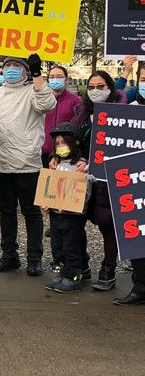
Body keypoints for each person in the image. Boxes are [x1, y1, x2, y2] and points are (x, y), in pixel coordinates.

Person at [0, 54, 56, 276]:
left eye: (17, 65)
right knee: (6, 212)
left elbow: (47, 103)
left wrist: (37, 75)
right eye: (8, 65)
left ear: (26, 71)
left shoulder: (33, 92)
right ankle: (9, 255)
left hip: (27, 164)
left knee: (31, 212)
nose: (12, 69)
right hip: (0, 164)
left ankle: (34, 258)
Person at [71, 70, 126, 291]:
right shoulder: (82, 113)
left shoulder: (121, 114)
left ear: (110, 88)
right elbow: (70, 139)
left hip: (107, 179)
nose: (95, 91)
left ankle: (108, 268)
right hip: (81, 177)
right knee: (75, 223)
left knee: (107, 224)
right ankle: (82, 264)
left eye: (100, 86)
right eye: (91, 87)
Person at [43, 123, 91, 293]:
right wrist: (46, 202)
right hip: (56, 214)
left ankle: (73, 277)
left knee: (71, 248)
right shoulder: (55, 164)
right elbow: (49, 187)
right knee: (57, 248)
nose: (60, 147)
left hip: (73, 216)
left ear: (75, 142)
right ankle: (59, 274)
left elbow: (85, 192)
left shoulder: (81, 166)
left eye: (64, 143)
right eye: (57, 144)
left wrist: (72, 205)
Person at [115, 61, 145, 305]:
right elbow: (111, 104)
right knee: (137, 237)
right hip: (135, 181)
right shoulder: (129, 110)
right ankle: (140, 288)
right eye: (144, 79)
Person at [42, 65, 82, 167]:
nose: (55, 79)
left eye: (59, 77)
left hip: (64, 153)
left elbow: (79, 126)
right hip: (42, 152)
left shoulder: (75, 101)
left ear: (66, 80)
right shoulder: (43, 100)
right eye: (52, 77)